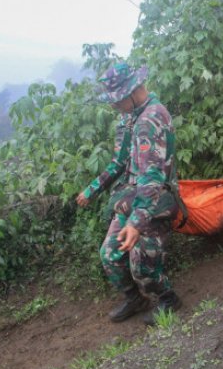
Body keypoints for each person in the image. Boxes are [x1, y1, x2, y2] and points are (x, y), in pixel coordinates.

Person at [75, 62, 181, 326]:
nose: (113, 106)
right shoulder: (129, 118)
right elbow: (119, 162)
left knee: (140, 260)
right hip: (133, 198)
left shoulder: (151, 119)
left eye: (117, 100)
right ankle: (135, 299)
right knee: (109, 254)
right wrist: (92, 189)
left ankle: (168, 299)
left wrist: (135, 223)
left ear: (134, 91)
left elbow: (153, 178)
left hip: (157, 198)